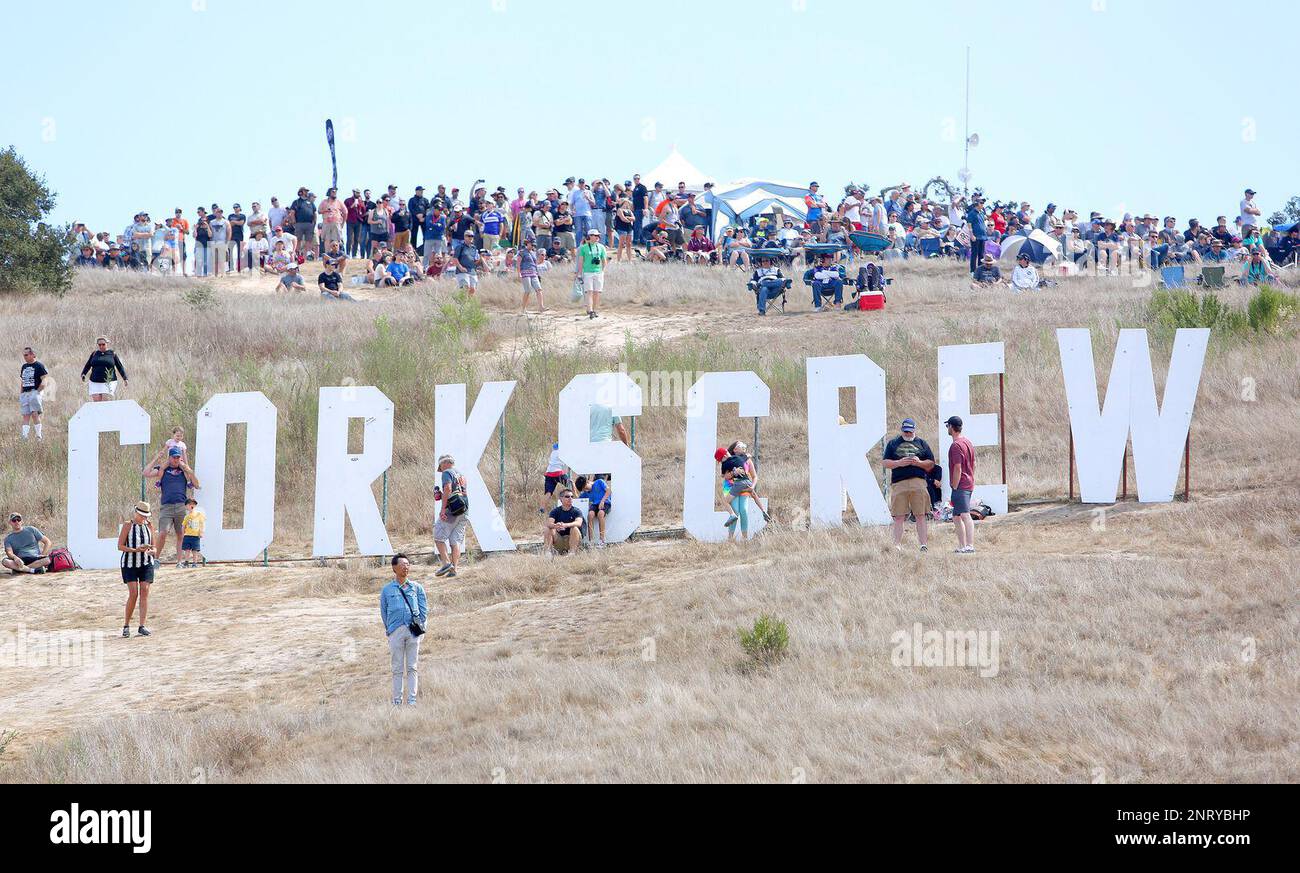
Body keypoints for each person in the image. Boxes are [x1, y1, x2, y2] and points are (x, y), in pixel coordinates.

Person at [380, 553, 427, 707]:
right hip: (395, 631)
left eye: (407, 564)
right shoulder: (387, 590)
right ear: (394, 568)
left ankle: (412, 699)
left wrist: (422, 628)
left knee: (412, 666)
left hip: (413, 630)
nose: (406, 567)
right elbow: (384, 611)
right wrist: (390, 630)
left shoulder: (417, 587)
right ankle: (397, 700)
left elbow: (423, 609)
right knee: (397, 668)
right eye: (402, 565)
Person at [883, 418, 934, 552]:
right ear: (902, 430)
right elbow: (885, 462)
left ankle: (923, 544)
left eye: (910, 432)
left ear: (914, 430)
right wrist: (899, 463)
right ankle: (897, 545)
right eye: (905, 431)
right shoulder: (893, 443)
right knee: (898, 516)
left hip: (918, 482)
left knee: (920, 514)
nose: (907, 434)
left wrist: (918, 463)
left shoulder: (922, 443)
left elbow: (931, 464)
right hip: (899, 483)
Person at [142, 448, 201, 565]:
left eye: (178, 457)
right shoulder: (162, 469)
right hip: (166, 506)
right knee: (163, 532)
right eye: (174, 457)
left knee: (181, 534)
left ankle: (179, 561)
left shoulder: (183, 470)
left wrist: (190, 471)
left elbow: (196, 485)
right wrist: (156, 458)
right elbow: (145, 473)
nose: (176, 460)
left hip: (181, 506)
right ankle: (156, 559)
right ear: (169, 458)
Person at [118, 501, 157, 637]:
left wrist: (152, 551)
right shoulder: (128, 525)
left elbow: (154, 546)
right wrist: (135, 550)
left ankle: (142, 625)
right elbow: (120, 546)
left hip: (146, 562)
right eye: (141, 515)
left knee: (145, 591)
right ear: (136, 513)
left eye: (145, 515)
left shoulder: (149, 526)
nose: (143, 518)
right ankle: (126, 625)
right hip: (130, 563)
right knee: (133, 593)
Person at [433, 455, 468, 578]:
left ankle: (446, 563)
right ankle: (454, 569)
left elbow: (448, 488)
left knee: (438, 536)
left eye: (441, 467)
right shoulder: (461, 474)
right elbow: (460, 491)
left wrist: (443, 509)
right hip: (463, 509)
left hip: (451, 510)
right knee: (455, 541)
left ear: (444, 463)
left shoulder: (447, 472)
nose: (441, 470)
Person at [945, 416, 976, 554]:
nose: (947, 429)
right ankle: (962, 546)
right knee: (956, 516)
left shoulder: (955, 445)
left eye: (948, 426)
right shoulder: (967, 442)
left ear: (952, 427)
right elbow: (974, 464)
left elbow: (957, 467)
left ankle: (969, 545)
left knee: (964, 515)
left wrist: (955, 485)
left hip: (960, 485)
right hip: (968, 482)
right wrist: (970, 476)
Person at [80, 336, 128, 402]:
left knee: (105, 402)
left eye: (103, 344)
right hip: (94, 381)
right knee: (97, 403)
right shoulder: (94, 354)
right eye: (99, 345)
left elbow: (119, 366)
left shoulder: (112, 354)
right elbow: (88, 365)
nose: (101, 346)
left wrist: (125, 378)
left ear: (107, 344)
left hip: (109, 382)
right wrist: (83, 374)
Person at [575, 228, 608, 319]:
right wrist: (579, 273)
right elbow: (581, 262)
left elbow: (604, 260)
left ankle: (595, 309)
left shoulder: (601, 247)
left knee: (597, 292)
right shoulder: (584, 248)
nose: (598, 237)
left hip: (598, 272)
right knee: (589, 291)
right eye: (595, 235)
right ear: (590, 236)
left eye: (598, 235)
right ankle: (590, 310)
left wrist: (603, 271)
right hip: (588, 272)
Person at [544, 488, 584, 556]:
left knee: (574, 528)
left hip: (572, 539)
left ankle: (572, 553)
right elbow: (549, 523)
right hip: (560, 540)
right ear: (561, 499)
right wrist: (556, 525)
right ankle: (548, 553)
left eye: (572, 496)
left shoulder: (577, 511)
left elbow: (579, 523)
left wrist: (566, 525)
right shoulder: (555, 511)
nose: (570, 498)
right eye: (567, 496)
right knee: (548, 529)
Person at [20, 346, 48, 441]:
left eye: (26, 355)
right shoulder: (24, 366)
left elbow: (44, 380)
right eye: (24, 355)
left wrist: (38, 392)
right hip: (25, 393)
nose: (25, 357)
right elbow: (22, 380)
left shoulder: (39, 365)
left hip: (34, 392)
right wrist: (21, 393)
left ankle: (38, 436)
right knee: (25, 415)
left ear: (32, 354)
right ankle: (24, 437)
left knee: (35, 414)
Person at [576, 475, 611, 548]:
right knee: (590, 515)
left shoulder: (599, 482)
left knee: (600, 514)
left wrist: (602, 501)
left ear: (588, 482)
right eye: (584, 489)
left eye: (585, 487)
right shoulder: (586, 493)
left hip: (605, 502)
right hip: (595, 505)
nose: (585, 490)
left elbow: (608, 491)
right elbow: (578, 499)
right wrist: (573, 488)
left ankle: (602, 540)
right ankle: (591, 541)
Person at [539, 441, 569, 514]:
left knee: (548, 493)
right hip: (558, 473)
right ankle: (577, 499)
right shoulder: (562, 452)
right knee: (571, 484)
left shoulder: (553, 453)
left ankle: (541, 510)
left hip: (549, 474)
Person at [518, 238, 545, 313]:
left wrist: (537, 273)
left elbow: (535, 264)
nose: (532, 246)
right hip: (525, 272)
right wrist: (519, 273)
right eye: (531, 244)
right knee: (527, 290)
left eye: (533, 244)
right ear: (527, 243)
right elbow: (518, 263)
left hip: (534, 273)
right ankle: (523, 308)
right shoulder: (522, 252)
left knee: (539, 289)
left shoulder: (533, 253)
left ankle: (541, 307)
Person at [180, 497, 205, 568]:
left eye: (193, 504)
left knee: (195, 550)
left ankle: (194, 563)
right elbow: (183, 526)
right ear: (186, 506)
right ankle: (186, 562)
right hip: (187, 535)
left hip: (196, 536)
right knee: (187, 550)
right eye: (190, 504)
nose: (192, 505)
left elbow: (201, 524)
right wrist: (182, 534)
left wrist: (201, 532)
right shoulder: (187, 516)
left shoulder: (199, 515)